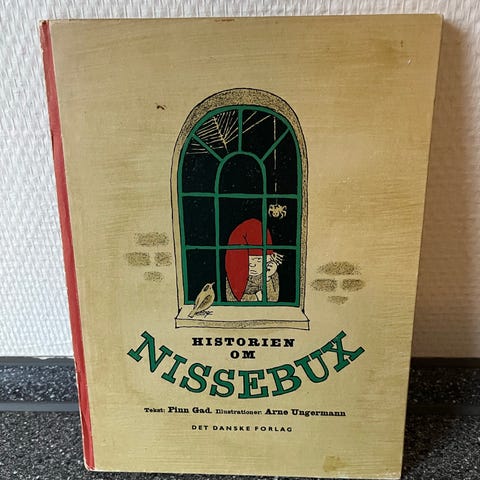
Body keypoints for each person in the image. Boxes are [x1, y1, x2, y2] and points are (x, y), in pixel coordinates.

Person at [225, 218, 283, 302]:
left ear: (268, 259)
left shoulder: (272, 273)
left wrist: (267, 277)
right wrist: (257, 297)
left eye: (258, 260)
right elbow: (232, 299)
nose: (252, 265)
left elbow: (272, 299)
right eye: (247, 261)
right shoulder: (233, 274)